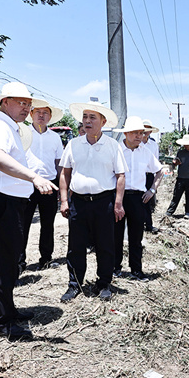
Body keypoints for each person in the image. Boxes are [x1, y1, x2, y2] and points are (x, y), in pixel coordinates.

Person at [0, 82, 58, 341]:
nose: (26, 108)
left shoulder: (12, 129)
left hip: (9, 202)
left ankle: (8, 311)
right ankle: (0, 322)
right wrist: (34, 178)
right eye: (20, 102)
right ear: (4, 102)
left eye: (28, 103)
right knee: (0, 264)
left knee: (10, 262)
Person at [59, 102, 125, 302]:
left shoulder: (112, 146)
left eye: (92, 117)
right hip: (78, 202)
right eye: (85, 117)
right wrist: (64, 200)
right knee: (76, 246)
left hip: (104, 201)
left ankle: (104, 283)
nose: (87, 121)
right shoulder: (73, 144)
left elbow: (120, 176)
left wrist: (118, 204)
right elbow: (64, 173)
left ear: (103, 122)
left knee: (105, 244)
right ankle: (75, 284)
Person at [113, 116, 163, 281]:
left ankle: (136, 270)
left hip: (138, 199)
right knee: (116, 235)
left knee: (136, 237)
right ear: (126, 133)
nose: (139, 136)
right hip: (118, 198)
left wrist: (152, 190)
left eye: (141, 133)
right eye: (135, 133)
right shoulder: (116, 150)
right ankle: (115, 268)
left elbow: (159, 171)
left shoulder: (146, 152)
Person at [20, 102, 64, 271]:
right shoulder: (22, 133)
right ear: (31, 114)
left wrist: (61, 187)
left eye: (45, 113)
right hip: (27, 183)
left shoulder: (55, 137)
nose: (41, 115)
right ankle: (19, 261)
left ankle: (46, 258)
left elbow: (59, 163)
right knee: (22, 224)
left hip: (49, 183)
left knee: (48, 223)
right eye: (38, 112)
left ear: (50, 117)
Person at [165, 133, 189, 219]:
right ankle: (169, 212)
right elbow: (175, 163)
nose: (185, 145)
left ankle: (188, 213)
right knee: (176, 195)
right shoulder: (180, 152)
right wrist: (175, 162)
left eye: (187, 144)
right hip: (181, 177)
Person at [141, 119, 160, 232]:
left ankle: (148, 225)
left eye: (148, 129)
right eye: (144, 128)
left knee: (148, 201)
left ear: (151, 132)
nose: (145, 131)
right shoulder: (135, 143)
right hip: (137, 175)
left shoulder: (153, 145)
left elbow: (156, 164)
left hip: (148, 176)